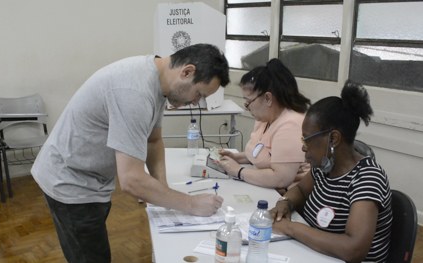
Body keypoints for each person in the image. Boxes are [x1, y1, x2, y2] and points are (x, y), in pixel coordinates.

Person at [31, 43, 229, 263]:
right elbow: (131, 181)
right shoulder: (134, 92)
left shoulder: (159, 83)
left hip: (91, 178)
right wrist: (190, 204)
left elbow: (153, 141)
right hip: (69, 180)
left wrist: (162, 192)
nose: (195, 102)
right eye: (198, 94)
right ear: (187, 72)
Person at [270, 81, 392, 262]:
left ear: (333, 139)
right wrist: (285, 203)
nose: (304, 148)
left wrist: (291, 228)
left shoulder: (368, 179)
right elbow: (301, 190)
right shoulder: (324, 166)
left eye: (307, 140)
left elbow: (353, 249)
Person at [217, 59, 311, 193]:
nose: (247, 107)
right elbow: (262, 154)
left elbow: (281, 178)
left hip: (291, 196)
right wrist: (236, 157)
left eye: (249, 102)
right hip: (269, 189)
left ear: (268, 98)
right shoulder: (265, 119)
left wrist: (238, 171)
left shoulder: (291, 124)